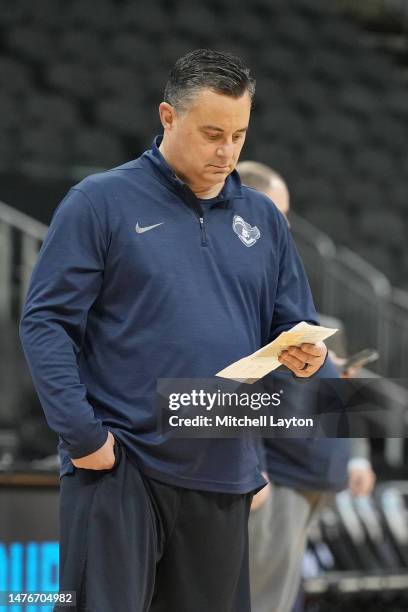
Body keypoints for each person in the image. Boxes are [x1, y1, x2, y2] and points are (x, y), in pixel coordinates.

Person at [20, 49, 328, 612]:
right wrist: (83, 436)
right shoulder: (100, 201)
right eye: (213, 133)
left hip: (222, 466)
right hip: (122, 464)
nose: (227, 151)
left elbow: (292, 323)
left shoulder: (262, 218)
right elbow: (46, 322)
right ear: (167, 117)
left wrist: (306, 355)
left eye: (239, 135)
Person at [237, 160, 376, 612]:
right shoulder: (235, 278)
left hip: (313, 474)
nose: (284, 226)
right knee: (260, 600)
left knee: (280, 596)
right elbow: (234, 381)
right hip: (279, 476)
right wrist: (250, 463)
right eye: (277, 213)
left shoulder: (274, 269)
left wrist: (355, 456)